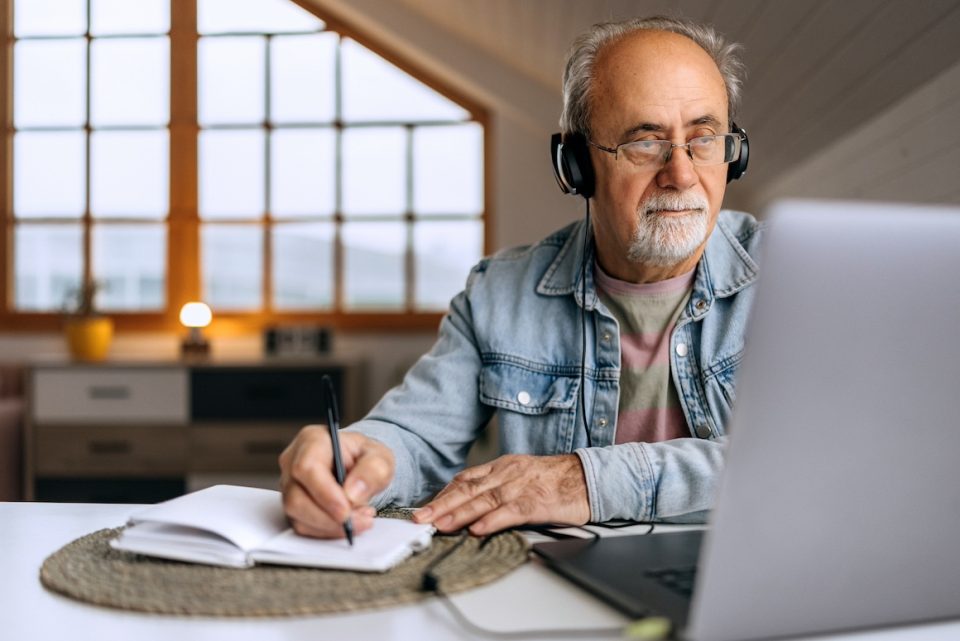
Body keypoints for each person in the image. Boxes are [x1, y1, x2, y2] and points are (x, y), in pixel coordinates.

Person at [279, 15, 761, 539]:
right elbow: (416, 435)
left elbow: (820, 453)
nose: (682, 173)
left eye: (704, 138)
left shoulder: (792, 278)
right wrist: (356, 460)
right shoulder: (497, 294)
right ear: (575, 165)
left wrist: (586, 480)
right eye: (644, 143)